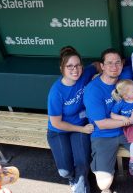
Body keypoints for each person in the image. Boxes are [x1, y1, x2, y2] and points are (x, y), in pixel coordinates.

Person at [83, 48, 133, 193]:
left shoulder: (126, 75)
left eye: (118, 62)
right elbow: (102, 124)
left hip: (131, 131)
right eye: (109, 63)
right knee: (104, 184)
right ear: (102, 66)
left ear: (122, 64)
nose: (114, 67)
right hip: (104, 135)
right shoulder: (93, 89)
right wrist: (130, 120)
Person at [47, 46, 100, 193]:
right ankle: (74, 179)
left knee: (82, 162)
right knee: (65, 172)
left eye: (77, 65)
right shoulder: (56, 91)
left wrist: (103, 75)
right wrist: (82, 129)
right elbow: (56, 122)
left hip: (80, 125)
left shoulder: (85, 74)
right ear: (62, 68)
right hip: (59, 130)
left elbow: (96, 65)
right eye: (69, 66)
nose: (75, 69)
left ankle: (80, 184)